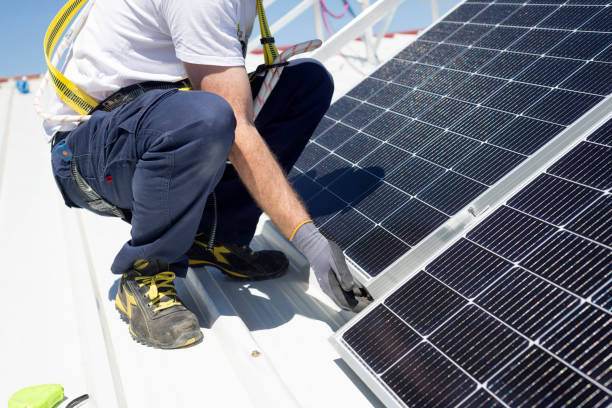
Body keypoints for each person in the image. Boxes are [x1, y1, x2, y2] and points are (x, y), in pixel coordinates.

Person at [44, 0, 360, 349]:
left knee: (305, 83)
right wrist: (309, 240)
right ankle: (146, 271)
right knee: (208, 116)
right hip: (86, 152)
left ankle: (215, 238)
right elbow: (235, 124)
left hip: (150, 124)